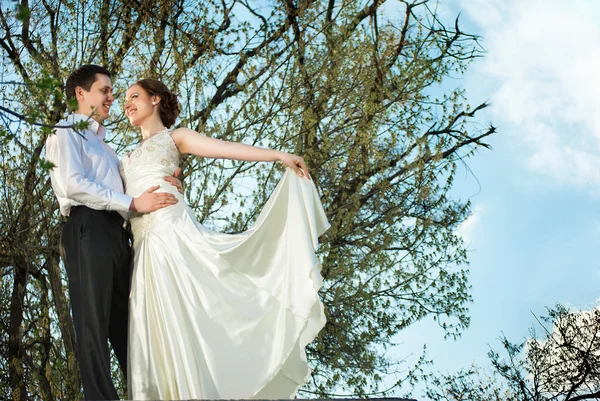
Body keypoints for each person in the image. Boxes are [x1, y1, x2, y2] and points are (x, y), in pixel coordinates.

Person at [121, 78, 329, 400]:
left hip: (174, 238)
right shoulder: (124, 159)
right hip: (143, 249)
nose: (127, 104)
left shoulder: (175, 138)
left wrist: (278, 156)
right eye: (124, 100)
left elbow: (227, 149)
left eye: (134, 96)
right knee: (153, 337)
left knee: (193, 317)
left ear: (156, 99)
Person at [45, 65, 182, 400]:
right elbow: (72, 185)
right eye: (104, 90)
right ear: (81, 93)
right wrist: (133, 201)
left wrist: (169, 178)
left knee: (130, 329)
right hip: (87, 227)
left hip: (120, 237)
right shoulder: (65, 130)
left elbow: (134, 186)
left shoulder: (106, 149)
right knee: (93, 322)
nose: (111, 98)